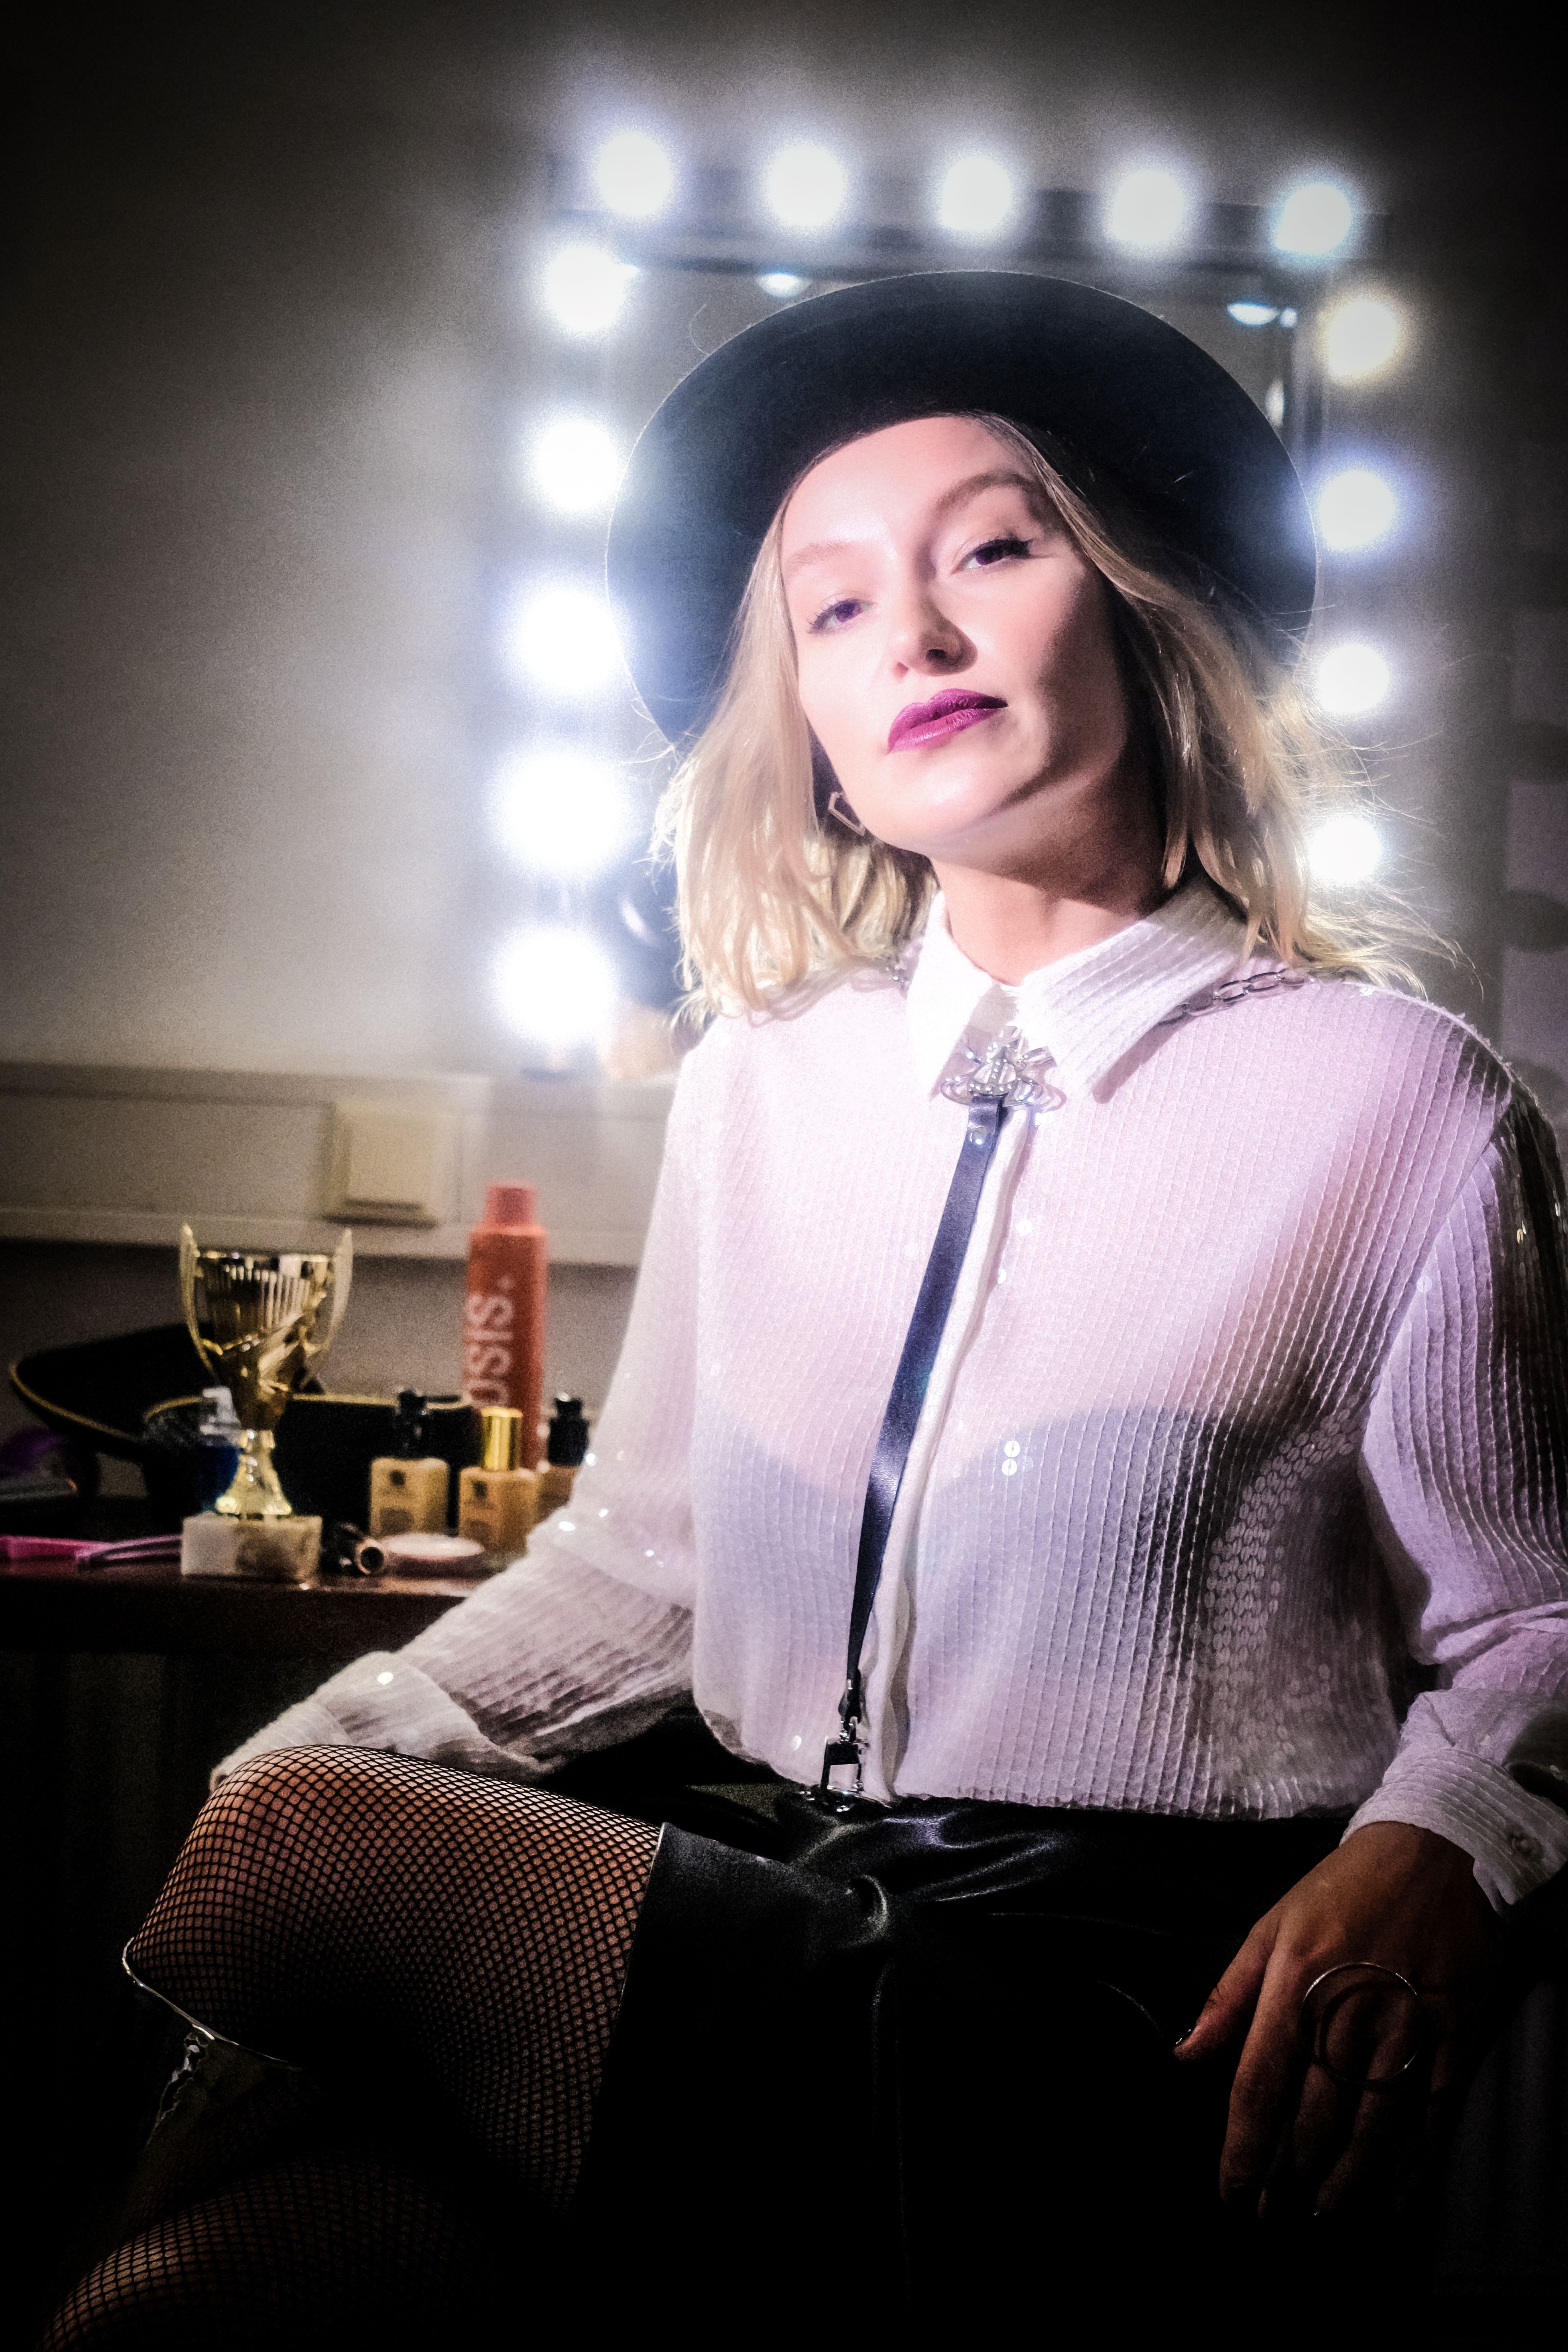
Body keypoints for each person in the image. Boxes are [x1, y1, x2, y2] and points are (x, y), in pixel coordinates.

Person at [47, 273, 1568, 2344]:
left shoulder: (1391, 1099)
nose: (911, 635)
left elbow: (1537, 1621)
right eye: (833, 605)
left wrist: (1449, 1842)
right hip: (782, 1899)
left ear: (1142, 617)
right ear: (821, 744)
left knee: (291, 1861)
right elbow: (646, 1558)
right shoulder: (765, 1082)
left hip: (1130, 2011)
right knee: (184, 2303)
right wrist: (336, 1754)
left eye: (993, 553)